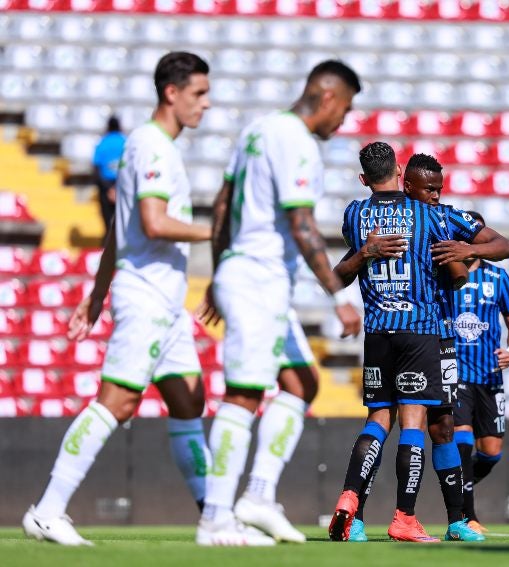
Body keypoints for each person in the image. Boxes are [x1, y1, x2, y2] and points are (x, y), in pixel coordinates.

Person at [23, 51, 214, 546]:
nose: (206, 105)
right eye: (199, 93)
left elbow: (119, 232)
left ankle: (214, 515)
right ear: (171, 93)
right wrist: (217, 231)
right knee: (119, 401)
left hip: (163, 298)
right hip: (148, 295)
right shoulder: (152, 146)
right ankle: (48, 510)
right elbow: (152, 224)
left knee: (188, 400)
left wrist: (95, 294)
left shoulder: (154, 145)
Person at [196, 60, 363, 546]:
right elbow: (303, 225)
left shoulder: (258, 129)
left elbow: (223, 204)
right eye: (345, 109)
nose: (343, 121)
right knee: (245, 395)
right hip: (258, 281)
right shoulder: (297, 141)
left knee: (302, 381)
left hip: (246, 273)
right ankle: (216, 518)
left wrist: (218, 266)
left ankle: (259, 496)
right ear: (328, 96)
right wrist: (338, 295)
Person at [332, 154, 509, 542]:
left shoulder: (369, 216)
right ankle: (392, 517)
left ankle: (455, 520)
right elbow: (471, 269)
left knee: (441, 426)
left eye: (439, 189)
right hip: (422, 333)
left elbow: (489, 255)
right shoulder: (429, 218)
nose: (435, 195)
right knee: (410, 421)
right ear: (404, 181)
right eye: (428, 189)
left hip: (422, 335)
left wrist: (464, 253)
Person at [451, 211, 509, 532]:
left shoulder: (498, 278)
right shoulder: (444, 275)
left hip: (490, 377)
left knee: (491, 453)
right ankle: (468, 516)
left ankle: (456, 483)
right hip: (455, 375)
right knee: (462, 439)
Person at [92, 116, 126, 235]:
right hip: (122, 187)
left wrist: (108, 189)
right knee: (122, 224)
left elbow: (96, 168)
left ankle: (106, 248)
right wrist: (117, 188)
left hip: (105, 186)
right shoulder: (125, 141)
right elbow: (129, 168)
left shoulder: (102, 143)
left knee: (108, 224)